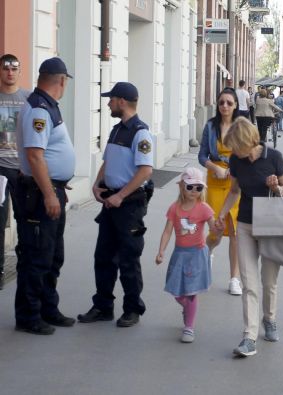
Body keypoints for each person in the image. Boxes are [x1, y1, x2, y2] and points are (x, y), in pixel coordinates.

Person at [217, 117, 283, 358]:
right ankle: (249, 336)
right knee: (249, 284)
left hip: (270, 227)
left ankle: (269, 319)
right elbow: (235, 190)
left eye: (236, 146)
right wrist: (222, 213)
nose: (234, 152)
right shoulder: (237, 161)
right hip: (246, 225)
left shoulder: (274, 157)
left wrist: (275, 187)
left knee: (268, 281)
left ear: (247, 140)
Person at [78, 82, 153, 328]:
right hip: (110, 202)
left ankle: (132, 308)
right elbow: (107, 160)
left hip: (128, 205)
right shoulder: (116, 130)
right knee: (103, 256)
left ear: (122, 101)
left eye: (111, 99)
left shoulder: (140, 133)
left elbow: (145, 171)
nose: (108, 102)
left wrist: (120, 195)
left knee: (128, 259)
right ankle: (103, 306)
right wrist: (98, 183)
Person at [14, 57, 75, 335]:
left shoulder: (47, 105)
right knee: (37, 257)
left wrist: (58, 185)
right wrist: (50, 194)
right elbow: (35, 156)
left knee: (52, 256)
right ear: (61, 80)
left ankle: (48, 308)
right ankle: (29, 315)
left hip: (50, 190)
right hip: (39, 195)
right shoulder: (40, 109)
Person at [156, 167, 223, 343]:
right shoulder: (174, 208)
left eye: (198, 188)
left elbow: (213, 227)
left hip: (197, 254)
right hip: (179, 254)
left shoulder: (204, 208)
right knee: (177, 291)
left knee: (191, 292)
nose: (194, 191)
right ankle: (188, 308)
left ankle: (189, 327)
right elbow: (167, 232)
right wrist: (161, 251)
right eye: (190, 187)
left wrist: (219, 229)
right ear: (181, 187)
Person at [198, 87, 242, 295]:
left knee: (234, 231)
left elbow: (247, 154)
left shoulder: (241, 127)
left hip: (235, 184)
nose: (225, 106)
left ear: (235, 106)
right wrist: (214, 167)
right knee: (215, 229)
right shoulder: (210, 126)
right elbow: (202, 155)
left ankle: (234, 279)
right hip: (215, 181)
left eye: (229, 103)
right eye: (221, 102)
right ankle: (209, 251)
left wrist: (234, 169)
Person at [0, 54, 30, 291]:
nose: (10, 72)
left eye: (14, 68)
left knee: (25, 218)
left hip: (21, 169)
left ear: (20, 72)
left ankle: (26, 266)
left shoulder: (28, 99)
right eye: (6, 68)